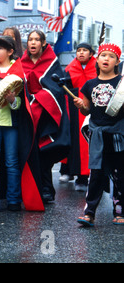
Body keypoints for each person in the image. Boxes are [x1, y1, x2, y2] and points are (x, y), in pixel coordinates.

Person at [0, 36, 44, 212]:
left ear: (10, 52)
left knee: (12, 162)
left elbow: (22, 104)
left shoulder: (18, 72)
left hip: (11, 123)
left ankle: (14, 200)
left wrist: (12, 100)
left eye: (0, 48)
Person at [74, 43, 124, 227]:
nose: (106, 59)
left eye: (111, 56)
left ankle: (120, 210)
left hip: (117, 133)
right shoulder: (89, 85)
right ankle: (89, 213)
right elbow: (86, 111)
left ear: (117, 61)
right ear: (97, 59)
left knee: (120, 174)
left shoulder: (121, 83)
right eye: (103, 55)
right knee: (95, 174)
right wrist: (81, 106)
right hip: (97, 134)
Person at [21, 30, 70, 203]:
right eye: (30, 40)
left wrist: (38, 99)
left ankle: (46, 189)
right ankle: (26, 190)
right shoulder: (21, 63)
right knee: (27, 151)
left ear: (43, 43)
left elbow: (57, 88)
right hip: (26, 112)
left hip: (45, 113)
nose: (32, 43)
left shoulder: (52, 63)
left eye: (36, 40)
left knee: (43, 152)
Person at [59, 43, 97, 191]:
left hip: (90, 109)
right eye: (79, 50)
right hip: (72, 108)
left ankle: (83, 178)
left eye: (84, 50)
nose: (81, 53)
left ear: (91, 53)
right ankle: (66, 170)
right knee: (69, 138)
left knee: (85, 142)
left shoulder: (98, 66)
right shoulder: (69, 68)